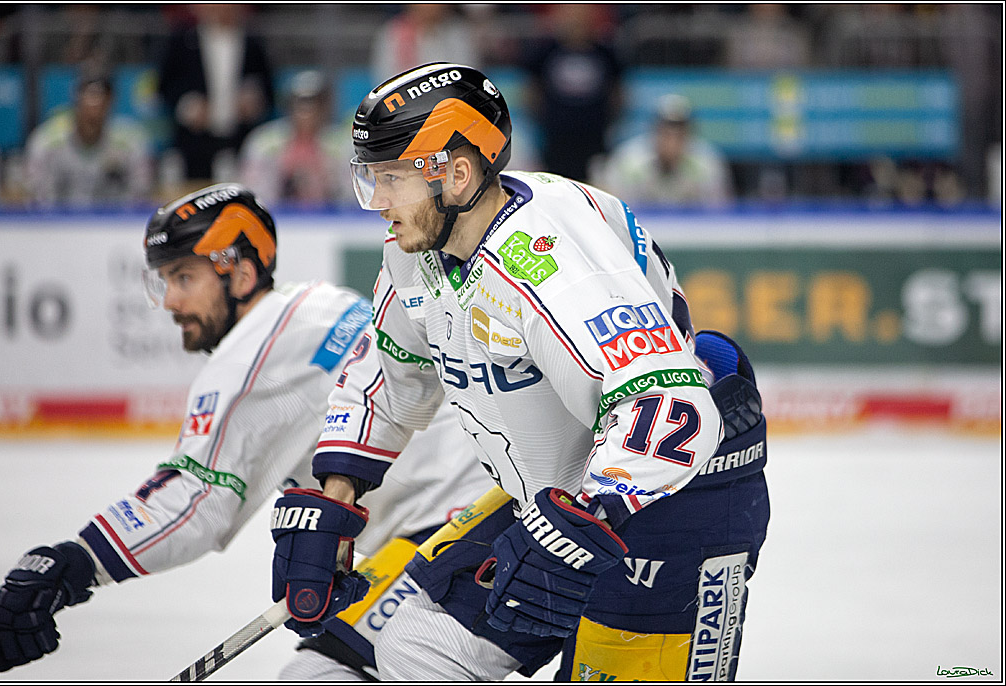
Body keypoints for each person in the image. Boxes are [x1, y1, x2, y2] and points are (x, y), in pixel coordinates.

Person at [272, 62, 770, 681]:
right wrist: (335, 497)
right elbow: (391, 383)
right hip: (557, 502)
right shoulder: (417, 255)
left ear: (455, 174)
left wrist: (587, 517)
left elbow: (673, 407)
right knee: (420, 649)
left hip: (672, 503)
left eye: (392, 178)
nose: (377, 201)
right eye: (371, 177)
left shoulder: (547, 257)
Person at [0, 182, 493, 679]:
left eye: (184, 278)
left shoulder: (254, 358)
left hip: (456, 530)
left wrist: (73, 564)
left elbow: (194, 500)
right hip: (464, 518)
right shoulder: (316, 305)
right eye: (165, 281)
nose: (169, 302)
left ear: (242, 274)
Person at [157, 4, 274, 182]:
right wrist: (187, 106)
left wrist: (253, 101)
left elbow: (267, 88)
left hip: (238, 140)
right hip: (193, 142)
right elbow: (165, 86)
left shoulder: (253, 43)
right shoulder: (183, 41)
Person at [522, 4, 623, 183]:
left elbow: (617, 92)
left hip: (594, 136)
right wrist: (542, 119)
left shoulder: (606, 53)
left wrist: (609, 120)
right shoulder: (546, 52)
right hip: (557, 138)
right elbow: (532, 90)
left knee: (594, 186)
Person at [23, 69, 153, 208]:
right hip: (58, 224)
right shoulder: (48, 140)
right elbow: (37, 196)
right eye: (89, 95)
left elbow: (140, 194)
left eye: (101, 97)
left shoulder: (130, 140)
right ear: (76, 99)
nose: (94, 108)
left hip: (114, 224)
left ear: (110, 102)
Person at [592, 93, 734, 208]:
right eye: (666, 130)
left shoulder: (706, 161)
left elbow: (719, 212)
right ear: (654, 130)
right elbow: (614, 209)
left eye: (679, 131)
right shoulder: (629, 159)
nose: (672, 140)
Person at [239, 69, 352, 207]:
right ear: (289, 106)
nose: (306, 112)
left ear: (324, 107)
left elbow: (352, 194)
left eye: (313, 104)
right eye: (301, 104)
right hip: (279, 217)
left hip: (333, 220)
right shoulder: (264, 141)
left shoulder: (342, 144)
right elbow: (253, 190)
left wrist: (326, 179)